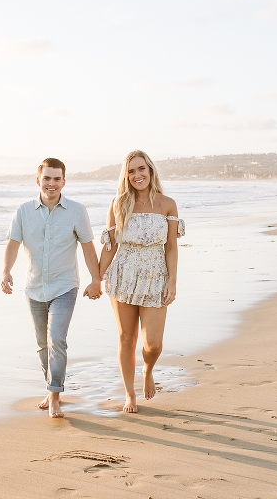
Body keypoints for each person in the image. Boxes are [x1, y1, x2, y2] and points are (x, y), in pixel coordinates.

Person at [1, 158, 103, 418]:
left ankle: (55, 395)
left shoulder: (76, 211)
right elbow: (13, 244)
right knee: (42, 344)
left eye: (57, 179)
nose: (51, 183)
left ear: (64, 182)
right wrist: (6, 271)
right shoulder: (23, 211)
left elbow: (88, 247)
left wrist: (96, 280)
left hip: (64, 286)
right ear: (38, 180)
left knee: (56, 339)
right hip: (34, 287)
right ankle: (50, 388)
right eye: (47, 178)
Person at [98, 150, 184, 413]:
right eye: (131, 171)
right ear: (126, 176)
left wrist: (172, 281)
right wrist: (95, 278)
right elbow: (110, 246)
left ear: (150, 170)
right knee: (126, 338)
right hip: (123, 276)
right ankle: (129, 394)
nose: (137, 175)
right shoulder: (118, 203)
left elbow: (171, 247)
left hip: (156, 277)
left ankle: (148, 370)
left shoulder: (167, 204)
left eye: (141, 169)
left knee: (153, 344)